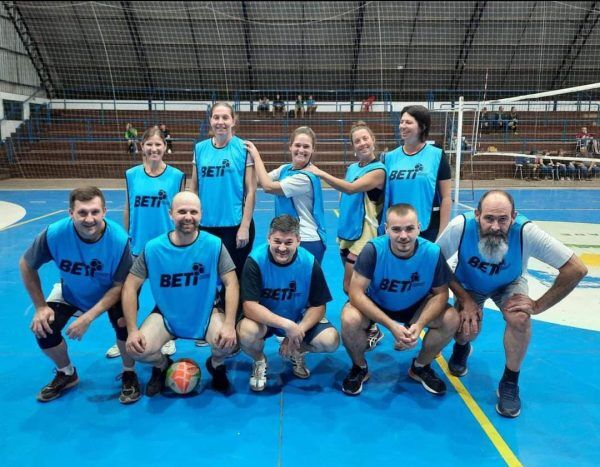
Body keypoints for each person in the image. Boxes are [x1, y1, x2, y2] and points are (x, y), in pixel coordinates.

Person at [437, 190, 587, 417]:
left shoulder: (527, 232)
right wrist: (465, 299)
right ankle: (462, 346)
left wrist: (538, 306)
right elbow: (434, 261)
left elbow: (576, 269)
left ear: (513, 217)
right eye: (489, 218)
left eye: (503, 219)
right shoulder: (460, 227)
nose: (496, 226)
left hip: (508, 283)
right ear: (477, 215)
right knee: (463, 325)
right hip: (469, 284)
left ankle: (509, 381)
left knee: (520, 318)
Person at [19, 186, 138, 404]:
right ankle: (66, 373)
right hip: (71, 291)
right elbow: (26, 265)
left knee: (124, 323)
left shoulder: (119, 241)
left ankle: (129, 372)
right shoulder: (54, 234)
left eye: (94, 212)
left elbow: (120, 286)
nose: (89, 219)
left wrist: (88, 317)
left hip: (112, 292)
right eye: (82, 212)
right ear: (71, 213)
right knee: (43, 329)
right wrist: (40, 307)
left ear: (104, 211)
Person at [123, 192, 239, 397]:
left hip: (206, 313)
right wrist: (132, 330)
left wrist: (229, 324)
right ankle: (161, 365)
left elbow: (231, 283)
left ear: (201, 214)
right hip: (167, 315)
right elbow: (130, 287)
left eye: (193, 212)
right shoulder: (153, 248)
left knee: (229, 344)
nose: (188, 217)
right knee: (136, 349)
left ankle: (216, 364)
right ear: (170, 214)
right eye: (182, 211)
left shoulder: (214, 245)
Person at [340, 203, 459, 396]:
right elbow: (356, 293)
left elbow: (441, 294)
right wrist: (391, 326)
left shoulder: (432, 252)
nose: (403, 236)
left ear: (419, 227)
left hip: (415, 305)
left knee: (451, 318)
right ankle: (359, 368)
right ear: (386, 228)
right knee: (349, 318)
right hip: (377, 304)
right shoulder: (373, 250)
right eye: (396, 229)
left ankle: (421, 366)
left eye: (410, 228)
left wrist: (419, 325)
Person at [105, 126, 185, 360]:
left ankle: (169, 337)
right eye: (149, 144)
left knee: (168, 295)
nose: (153, 148)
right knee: (128, 296)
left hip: (166, 247)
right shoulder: (131, 175)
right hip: (137, 246)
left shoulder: (177, 176)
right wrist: (127, 237)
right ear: (142, 147)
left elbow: (179, 211)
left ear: (165, 147)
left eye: (158, 144)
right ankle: (124, 338)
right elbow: (129, 206)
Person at [304, 121, 386, 350]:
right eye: (357, 140)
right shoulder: (352, 167)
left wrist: (319, 172)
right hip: (348, 233)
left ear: (373, 141)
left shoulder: (378, 170)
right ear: (353, 146)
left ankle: (372, 327)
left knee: (354, 287)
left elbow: (350, 189)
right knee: (347, 285)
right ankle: (368, 324)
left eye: (365, 138)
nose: (362, 143)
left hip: (365, 236)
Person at [237, 215, 339, 391]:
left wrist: (298, 331)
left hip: (298, 318)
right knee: (246, 332)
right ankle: (260, 360)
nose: (282, 248)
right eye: (277, 241)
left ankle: (297, 350)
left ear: (298, 241)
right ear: (268, 238)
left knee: (331, 341)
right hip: (266, 320)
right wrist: (286, 326)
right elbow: (249, 306)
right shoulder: (255, 261)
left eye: (288, 242)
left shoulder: (308, 262)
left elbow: (319, 305)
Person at [247, 126, 327, 264]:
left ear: (313, 149)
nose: (301, 150)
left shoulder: (305, 177)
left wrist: (256, 156)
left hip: (306, 238)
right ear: (290, 146)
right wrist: (246, 162)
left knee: (304, 284)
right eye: (297, 145)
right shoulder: (285, 168)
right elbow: (260, 179)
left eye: (306, 146)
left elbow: (267, 186)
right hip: (289, 236)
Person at [381, 105, 452, 242]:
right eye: (401, 122)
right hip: (396, 230)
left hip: (428, 229)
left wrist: (442, 234)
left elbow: (446, 198)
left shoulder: (437, 156)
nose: (402, 126)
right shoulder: (388, 158)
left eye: (408, 122)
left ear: (422, 126)